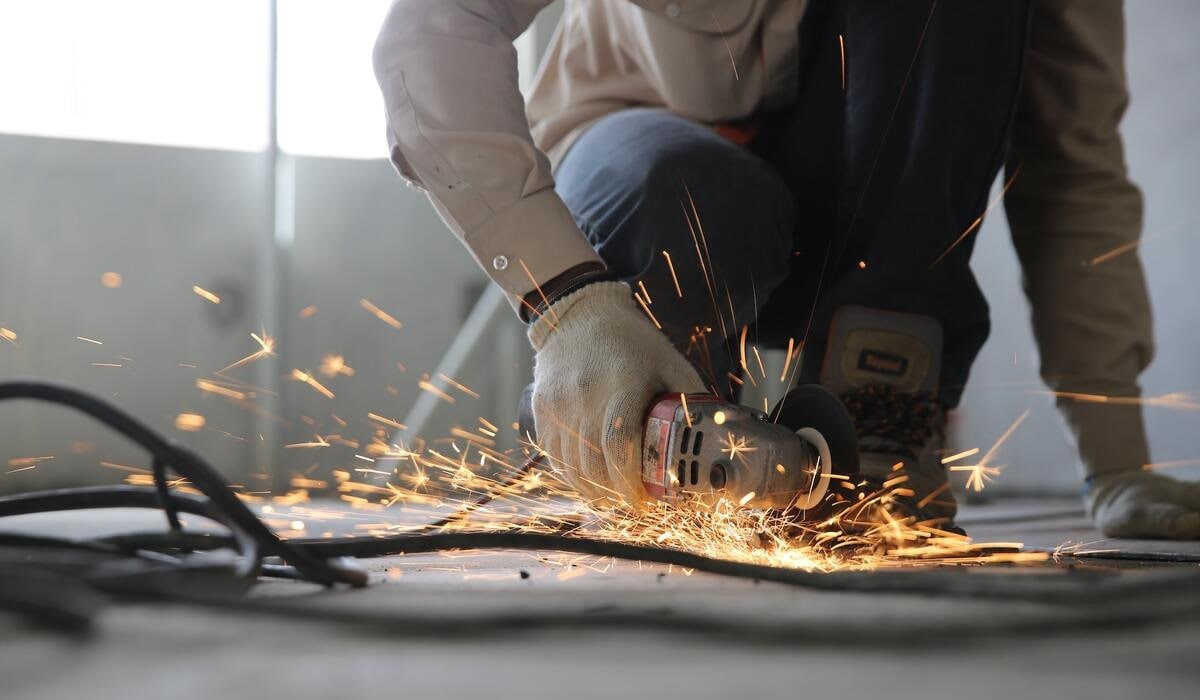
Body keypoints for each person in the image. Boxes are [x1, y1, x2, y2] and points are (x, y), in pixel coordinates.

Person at [373, 0, 1200, 538]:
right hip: (653, 176)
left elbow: (1072, 166)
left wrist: (1117, 460)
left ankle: (878, 414)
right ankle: (649, 415)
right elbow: (434, 30)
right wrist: (568, 306)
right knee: (685, 191)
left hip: (869, 222)